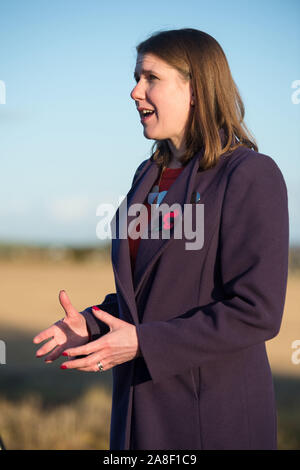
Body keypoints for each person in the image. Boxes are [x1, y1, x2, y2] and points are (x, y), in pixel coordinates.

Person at [33, 28, 289, 450]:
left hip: (210, 420)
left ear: (195, 89)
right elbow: (148, 295)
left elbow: (256, 311)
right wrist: (93, 324)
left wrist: (144, 343)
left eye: (151, 78)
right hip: (137, 416)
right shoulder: (146, 177)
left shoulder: (249, 175)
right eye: (136, 77)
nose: (135, 91)